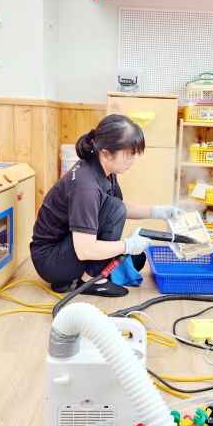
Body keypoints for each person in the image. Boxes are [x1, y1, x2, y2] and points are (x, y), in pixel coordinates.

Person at [30, 114, 183, 297]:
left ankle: (74, 276)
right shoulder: (86, 187)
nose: (134, 160)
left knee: (133, 250)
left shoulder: (100, 166)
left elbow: (116, 205)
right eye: (129, 155)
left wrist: (157, 212)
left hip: (64, 247)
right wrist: (127, 245)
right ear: (106, 153)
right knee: (116, 213)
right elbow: (85, 249)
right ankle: (90, 281)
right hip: (51, 261)